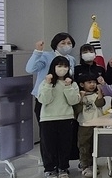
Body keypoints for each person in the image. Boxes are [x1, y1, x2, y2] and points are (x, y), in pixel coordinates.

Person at [26, 33, 78, 164]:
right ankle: (50, 166)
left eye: (69, 43)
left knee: (64, 136)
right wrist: (37, 51)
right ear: (55, 44)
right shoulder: (45, 56)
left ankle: (62, 165)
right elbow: (30, 69)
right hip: (45, 100)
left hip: (64, 101)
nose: (66, 46)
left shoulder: (71, 59)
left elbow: (71, 78)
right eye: (63, 43)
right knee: (47, 136)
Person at [37, 56, 81, 178]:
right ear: (53, 67)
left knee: (65, 146)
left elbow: (74, 101)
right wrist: (48, 84)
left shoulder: (72, 83)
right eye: (59, 66)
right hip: (48, 119)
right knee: (49, 146)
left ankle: (63, 169)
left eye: (65, 66)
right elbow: (44, 100)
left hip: (66, 118)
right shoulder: (45, 82)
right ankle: (50, 172)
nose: (62, 69)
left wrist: (68, 86)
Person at [75, 73, 105, 178]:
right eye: (89, 82)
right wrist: (81, 97)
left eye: (94, 82)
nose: (92, 85)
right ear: (82, 84)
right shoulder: (79, 95)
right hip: (84, 124)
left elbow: (100, 104)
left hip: (97, 124)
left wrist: (100, 92)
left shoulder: (97, 94)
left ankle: (93, 164)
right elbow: (77, 110)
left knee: (95, 145)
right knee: (84, 145)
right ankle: (85, 165)